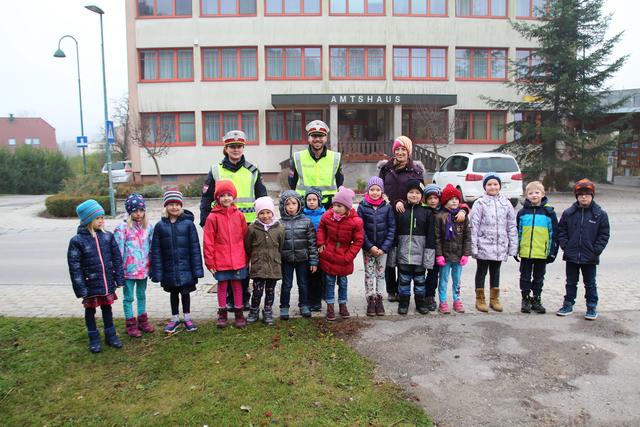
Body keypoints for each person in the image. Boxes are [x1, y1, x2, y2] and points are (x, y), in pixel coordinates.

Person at [199, 130, 267, 310]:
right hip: (222, 224)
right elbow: (206, 198)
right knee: (226, 261)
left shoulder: (253, 170)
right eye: (232, 147)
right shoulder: (216, 170)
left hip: (249, 225)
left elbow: (262, 196)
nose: (236, 150)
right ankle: (229, 299)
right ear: (226, 149)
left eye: (239, 146)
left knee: (243, 262)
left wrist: (266, 220)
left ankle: (243, 297)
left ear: (243, 148)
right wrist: (205, 220)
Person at [67, 199, 124, 353]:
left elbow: (117, 258)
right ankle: (94, 338)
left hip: (106, 283)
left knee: (107, 309)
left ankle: (110, 335)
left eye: (102, 217)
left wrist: (119, 278)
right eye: (97, 218)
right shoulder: (77, 241)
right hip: (89, 284)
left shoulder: (108, 237)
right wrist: (81, 288)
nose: (101, 221)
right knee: (90, 311)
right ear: (88, 220)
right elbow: (75, 267)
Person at [378, 136, 424, 302]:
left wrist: (402, 202)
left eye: (403, 149)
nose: (399, 152)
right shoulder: (386, 169)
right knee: (390, 253)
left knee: (404, 253)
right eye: (397, 149)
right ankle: (391, 289)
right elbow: (379, 188)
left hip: (407, 216)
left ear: (408, 151)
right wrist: (384, 198)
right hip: (387, 216)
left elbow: (420, 194)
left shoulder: (416, 171)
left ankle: (401, 288)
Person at [556, 179, 610, 320]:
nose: (584, 197)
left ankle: (591, 307)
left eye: (587, 194)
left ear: (592, 196)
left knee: (590, 283)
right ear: (576, 196)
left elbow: (604, 234)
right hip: (572, 255)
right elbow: (561, 231)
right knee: (571, 282)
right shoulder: (569, 213)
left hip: (590, 256)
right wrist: (566, 246)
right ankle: (568, 304)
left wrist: (596, 250)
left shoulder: (600, 214)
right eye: (580, 194)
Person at [151, 190, 204, 334]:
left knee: (185, 293)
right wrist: (157, 272)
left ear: (181, 206)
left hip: (186, 268)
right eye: (171, 204)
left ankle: (187, 317)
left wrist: (197, 269)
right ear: (166, 207)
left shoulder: (188, 225)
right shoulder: (160, 226)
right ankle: (174, 318)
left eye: (177, 204)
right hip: (169, 269)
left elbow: (195, 248)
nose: (174, 207)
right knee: (173, 293)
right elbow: (155, 250)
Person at [203, 180, 249, 328]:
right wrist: (210, 261)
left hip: (238, 259)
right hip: (220, 260)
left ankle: (239, 314)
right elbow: (208, 241)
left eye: (229, 195)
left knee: (237, 286)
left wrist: (246, 257)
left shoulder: (239, 215)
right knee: (222, 286)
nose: (226, 198)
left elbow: (245, 237)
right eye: (222, 195)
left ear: (233, 196)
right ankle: (222, 314)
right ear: (217, 198)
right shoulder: (213, 217)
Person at [469, 173, 518, 313]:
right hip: (483, 245)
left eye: (495, 184)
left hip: (500, 246)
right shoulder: (480, 203)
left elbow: (511, 226)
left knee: (495, 272)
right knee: (482, 271)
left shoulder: (506, 203)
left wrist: (512, 246)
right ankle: (480, 299)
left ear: (499, 186)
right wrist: (474, 246)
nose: (493, 187)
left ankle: (494, 299)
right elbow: (474, 225)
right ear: (485, 186)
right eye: (489, 184)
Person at [317, 186, 364, 321]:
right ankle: (330, 305)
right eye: (334, 205)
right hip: (329, 254)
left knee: (343, 282)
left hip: (344, 256)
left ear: (347, 207)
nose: (336, 209)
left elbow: (358, 240)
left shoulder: (356, 221)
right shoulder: (328, 215)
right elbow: (321, 228)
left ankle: (343, 304)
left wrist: (349, 256)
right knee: (329, 282)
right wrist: (321, 243)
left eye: (339, 206)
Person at [514, 181, 559, 314]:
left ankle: (537, 299)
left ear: (543, 194)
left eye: (537, 192)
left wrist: (552, 252)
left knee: (539, 277)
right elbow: (518, 232)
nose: (534, 195)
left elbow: (554, 234)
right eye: (531, 193)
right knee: (525, 277)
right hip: (526, 252)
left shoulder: (549, 213)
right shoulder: (522, 213)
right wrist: (516, 249)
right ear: (526, 195)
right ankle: (525, 299)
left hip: (542, 253)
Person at [114, 193, 155, 337]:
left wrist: (152, 265)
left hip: (143, 269)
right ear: (130, 211)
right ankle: (130, 323)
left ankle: (143, 320)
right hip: (128, 271)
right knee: (129, 297)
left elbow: (151, 247)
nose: (139, 214)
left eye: (141, 210)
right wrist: (117, 270)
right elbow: (118, 250)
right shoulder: (122, 228)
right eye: (135, 211)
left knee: (141, 295)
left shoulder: (148, 227)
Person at [423, 183, 469, 312]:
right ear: (444, 201)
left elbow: (467, 236)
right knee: (442, 280)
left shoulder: (462, 216)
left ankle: (457, 299)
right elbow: (437, 238)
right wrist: (439, 255)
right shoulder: (440, 217)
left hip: (459, 255)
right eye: (450, 199)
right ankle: (443, 301)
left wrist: (466, 254)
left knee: (457, 280)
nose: (454, 201)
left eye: (456, 199)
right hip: (445, 256)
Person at [394, 179, 435, 315]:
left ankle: (420, 302)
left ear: (421, 196)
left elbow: (431, 237)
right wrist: (394, 254)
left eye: (417, 193)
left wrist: (428, 257)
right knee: (404, 281)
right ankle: (404, 302)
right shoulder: (401, 210)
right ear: (406, 194)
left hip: (420, 255)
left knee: (420, 281)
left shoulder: (426, 212)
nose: (414, 195)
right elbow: (394, 233)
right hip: (404, 253)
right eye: (411, 192)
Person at [356, 176, 396, 316]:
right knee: (369, 274)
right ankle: (370, 299)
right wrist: (369, 246)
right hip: (368, 248)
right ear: (368, 190)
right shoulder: (362, 206)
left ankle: (379, 299)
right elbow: (359, 229)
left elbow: (392, 228)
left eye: (378, 190)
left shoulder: (387, 207)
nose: (375, 192)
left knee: (380, 274)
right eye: (372, 189)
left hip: (383, 249)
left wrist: (384, 247)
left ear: (382, 191)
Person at [244, 196, 284, 325]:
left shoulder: (279, 228)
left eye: (268, 212)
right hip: (258, 266)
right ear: (257, 214)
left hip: (273, 265)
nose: (265, 216)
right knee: (257, 291)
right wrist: (255, 258)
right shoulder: (252, 228)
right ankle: (254, 310)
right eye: (261, 213)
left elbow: (281, 246)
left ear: (272, 212)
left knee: (270, 291)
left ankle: (267, 311)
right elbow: (248, 246)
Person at [279, 190, 319, 319]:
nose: (291, 207)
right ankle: (284, 306)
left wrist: (313, 261)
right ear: (283, 206)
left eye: (294, 203)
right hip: (286, 260)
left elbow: (312, 244)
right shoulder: (279, 223)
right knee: (286, 284)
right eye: (287, 204)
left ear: (299, 205)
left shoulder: (306, 222)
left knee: (303, 283)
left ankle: (304, 305)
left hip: (303, 259)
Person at [289, 120, 344, 209]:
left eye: (321, 136)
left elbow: (339, 181)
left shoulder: (336, 157)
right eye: (314, 136)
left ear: (326, 138)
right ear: (309, 138)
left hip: (328, 206)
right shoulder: (297, 157)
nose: (317, 139)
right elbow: (292, 182)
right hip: (304, 205)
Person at [303, 187, 325, 312]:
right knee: (306, 278)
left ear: (319, 201)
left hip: (320, 250)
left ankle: (317, 301)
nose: (311, 202)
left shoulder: (324, 214)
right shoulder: (302, 215)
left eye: (314, 199)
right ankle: (307, 301)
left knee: (318, 277)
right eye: (309, 199)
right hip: (306, 251)